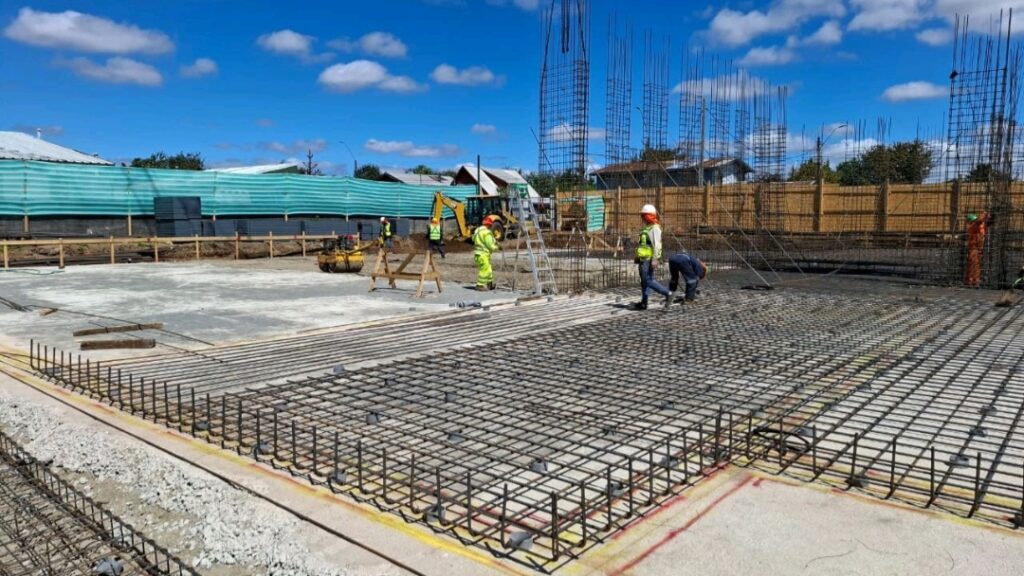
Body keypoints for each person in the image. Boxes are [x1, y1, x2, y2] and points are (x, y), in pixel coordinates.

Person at [634, 204, 671, 310]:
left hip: (648, 260)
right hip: (643, 259)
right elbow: (644, 244)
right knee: (644, 281)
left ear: (648, 216)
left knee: (648, 280)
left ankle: (668, 293)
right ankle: (644, 303)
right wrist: (638, 256)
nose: (642, 218)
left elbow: (657, 245)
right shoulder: (647, 228)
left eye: (643, 216)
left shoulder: (655, 228)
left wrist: (655, 258)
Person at [472, 216, 500, 291]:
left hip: (478, 254)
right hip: (483, 254)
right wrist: (497, 247)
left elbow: (474, 239)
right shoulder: (487, 233)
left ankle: (489, 283)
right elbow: (490, 245)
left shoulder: (477, 231)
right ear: (489, 225)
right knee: (485, 270)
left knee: (488, 269)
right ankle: (480, 285)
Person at [964, 212, 989, 287]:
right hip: (974, 248)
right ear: (972, 221)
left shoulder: (978, 227)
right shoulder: (973, 226)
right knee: (974, 264)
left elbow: (983, 223)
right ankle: (972, 281)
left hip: (978, 248)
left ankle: (973, 280)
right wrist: (985, 214)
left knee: (976, 264)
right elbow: (979, 221)